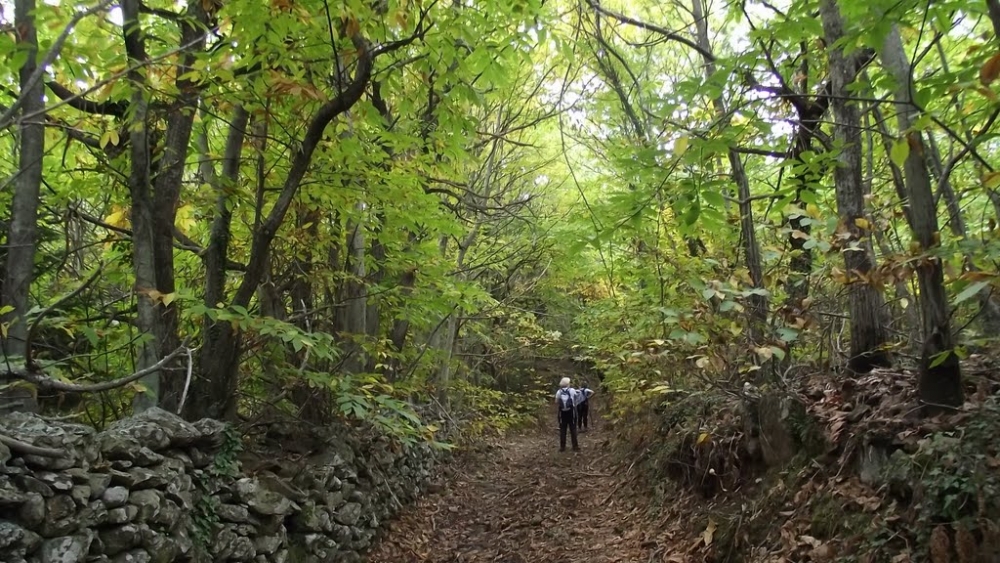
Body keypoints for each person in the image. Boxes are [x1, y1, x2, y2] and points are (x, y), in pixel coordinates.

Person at [554, 377, 579, 452]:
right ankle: (575, 446)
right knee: (573, 429)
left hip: (562, 413)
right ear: (568, 383)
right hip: (572, 412)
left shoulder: (559, 392)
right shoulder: (572, 390)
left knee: (563, 430)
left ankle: (562, 447)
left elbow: (556, 401)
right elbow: (575, 399)